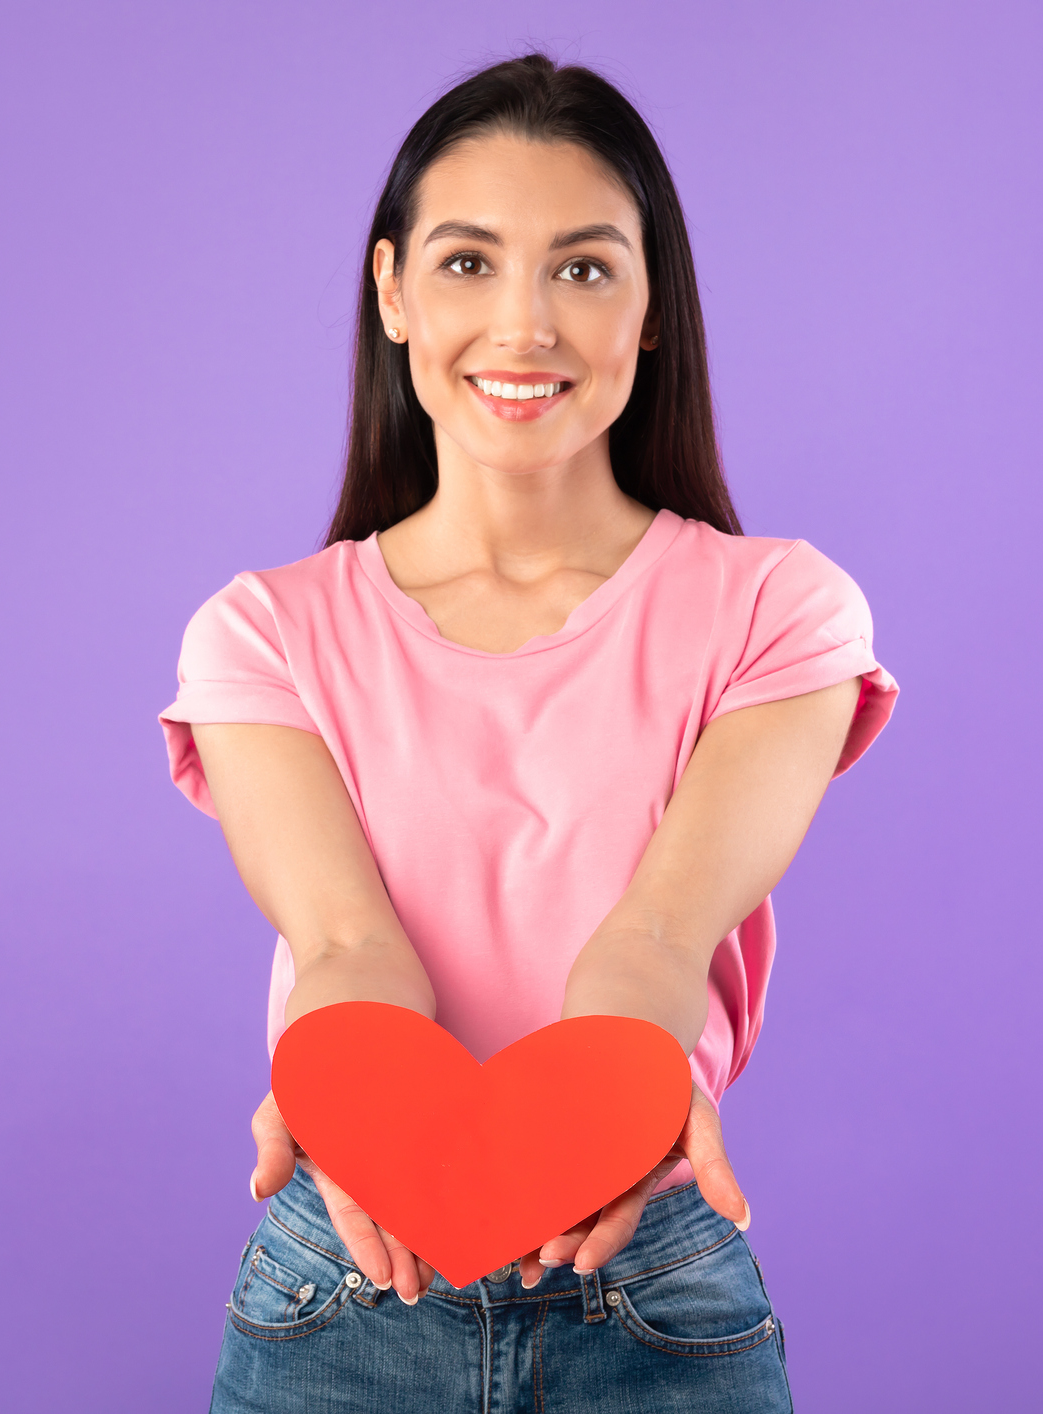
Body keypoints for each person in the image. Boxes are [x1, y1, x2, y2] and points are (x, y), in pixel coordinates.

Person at [160, 53, 897, 1413]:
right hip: (347, 1279)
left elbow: (659, 933)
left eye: (582, 267)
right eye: (465, 264)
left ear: (652, 306)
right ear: (388, 291)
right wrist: (355, 1114)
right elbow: (345, 942)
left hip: (649, 1282)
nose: (522, 324)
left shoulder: (776, 610)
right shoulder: (260, 634)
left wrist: (593, 1122)